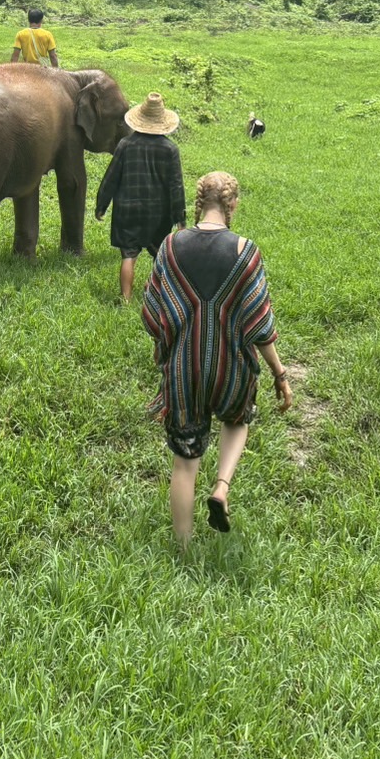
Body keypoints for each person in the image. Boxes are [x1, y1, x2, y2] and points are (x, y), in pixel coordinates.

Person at [142, 170, 291, 546]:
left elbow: (152, 312)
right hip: (232, 372)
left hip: (183, 372)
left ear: (200, 201)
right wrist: (279, 372)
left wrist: (171, 349)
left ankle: (183, 547)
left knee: (185, 461)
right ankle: (222, 487)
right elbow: (260, 324)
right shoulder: (246, 252)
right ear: (232, 204)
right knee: (237, 419)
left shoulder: (170, 247)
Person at [94, 91, 186, 304]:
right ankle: (156, 295)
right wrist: (179, 218)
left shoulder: (125, 145)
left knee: (128, 255)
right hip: (158, 213)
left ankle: (125, 298)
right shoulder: (170, 149)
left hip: (128, 210)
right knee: (160, 256)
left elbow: (112, 176)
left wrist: (102, 205)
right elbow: (176, 186)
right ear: (162, 122)